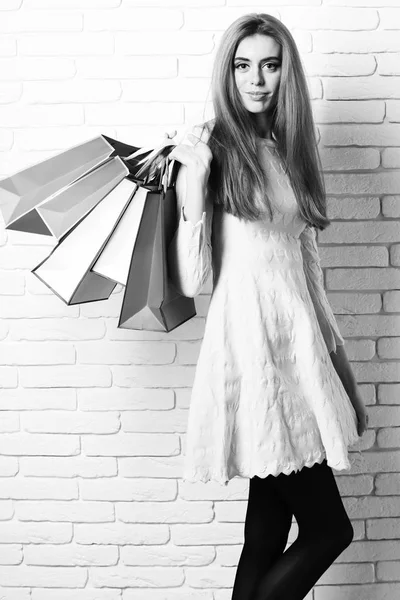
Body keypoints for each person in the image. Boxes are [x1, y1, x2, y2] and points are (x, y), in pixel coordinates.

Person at [165, 12, 369, 600]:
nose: (257, 79)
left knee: (265, 533)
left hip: (299, 358)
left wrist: (343, 375)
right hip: (255, 360)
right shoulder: (209, 151)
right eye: (243, 64)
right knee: (331, 530)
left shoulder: (288, 150)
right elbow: (191, 278)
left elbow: (309, 277)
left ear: (287, 74)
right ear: (227, 72)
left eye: (270, 65)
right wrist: (193, 185)